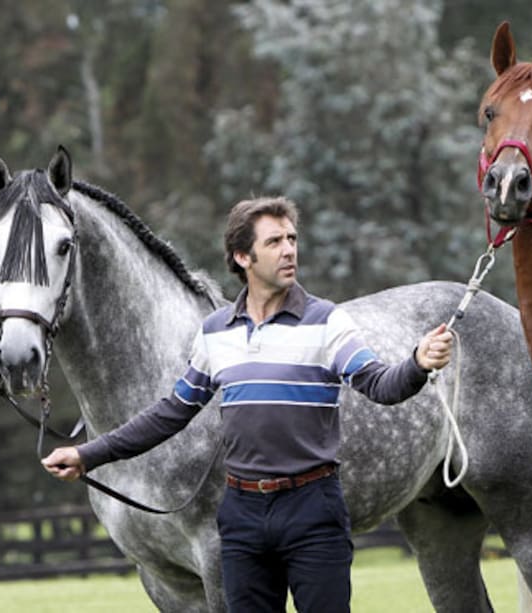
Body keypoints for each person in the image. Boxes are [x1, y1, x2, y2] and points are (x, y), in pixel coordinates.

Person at [42, 196, 453, 612]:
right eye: (274, 241)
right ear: (242, 256)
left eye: (292, 239)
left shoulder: (326, 321)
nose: (290, 249)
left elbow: (381, 386)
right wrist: (87, 454)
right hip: (242, 516)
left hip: (313, 509)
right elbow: (171, 413)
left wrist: (417, 364)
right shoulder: (216, 333)